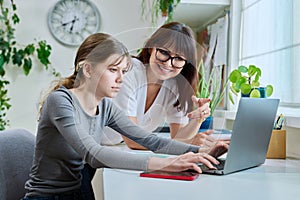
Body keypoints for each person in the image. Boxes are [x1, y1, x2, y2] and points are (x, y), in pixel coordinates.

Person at [22, 33, 228, 200]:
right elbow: (93, 154)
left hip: (77, 192)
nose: (121, 79)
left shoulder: (105, 107)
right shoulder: (60, 101)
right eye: (113, 70)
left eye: (123, 71)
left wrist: (200, 151)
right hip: (45, 196)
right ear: (88, 69)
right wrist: (166, 164)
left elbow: (148, 140)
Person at [101, 22, 216, 149]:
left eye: (178, 58)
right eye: (164, 52)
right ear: (151, 48)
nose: (168, 64)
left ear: (185, 63)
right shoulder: (128, 72)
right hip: (90, 146)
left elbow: (178, 137)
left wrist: (198, 119)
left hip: (116, 148)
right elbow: (132, 139)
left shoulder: (174, 85)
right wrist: (183, 144)